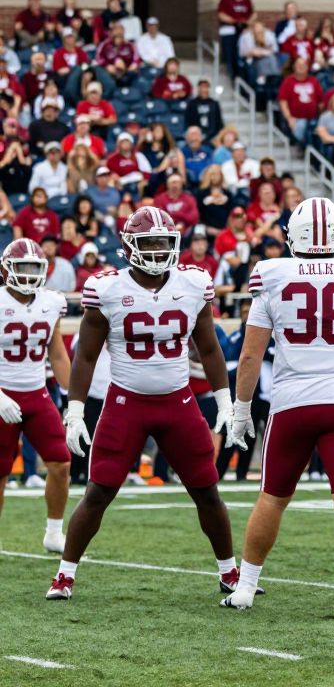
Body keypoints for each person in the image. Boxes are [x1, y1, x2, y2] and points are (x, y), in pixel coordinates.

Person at [47, 207, 239, 601]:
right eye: (148, 242)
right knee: (98, 491)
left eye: (163, 242)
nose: (156, 250)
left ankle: (229, 571)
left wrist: (225, 400)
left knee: (207, 490)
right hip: (125, 403)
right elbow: (85, 355)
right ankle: (64, 574)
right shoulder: (107, 288)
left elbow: (208, 346)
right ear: (128, 245)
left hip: (179, 402)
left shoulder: (193, 283)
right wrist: (76, 409)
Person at [221, 198, 334, 612]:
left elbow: (249, 356)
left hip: (290, 403)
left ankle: (245, 587)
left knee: (272, 497)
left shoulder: (272, 275)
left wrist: (242, 409)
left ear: (292, 236)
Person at [0, 239, 71, 554]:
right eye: (22, 268)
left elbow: (56, 351)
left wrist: (73, 398)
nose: (29, 275)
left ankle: (54, 532)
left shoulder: (51, 301)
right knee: (0, 471)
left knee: (61, 462)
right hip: (3, 395)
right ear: (6, 269)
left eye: (34, 268)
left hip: (37, 392)